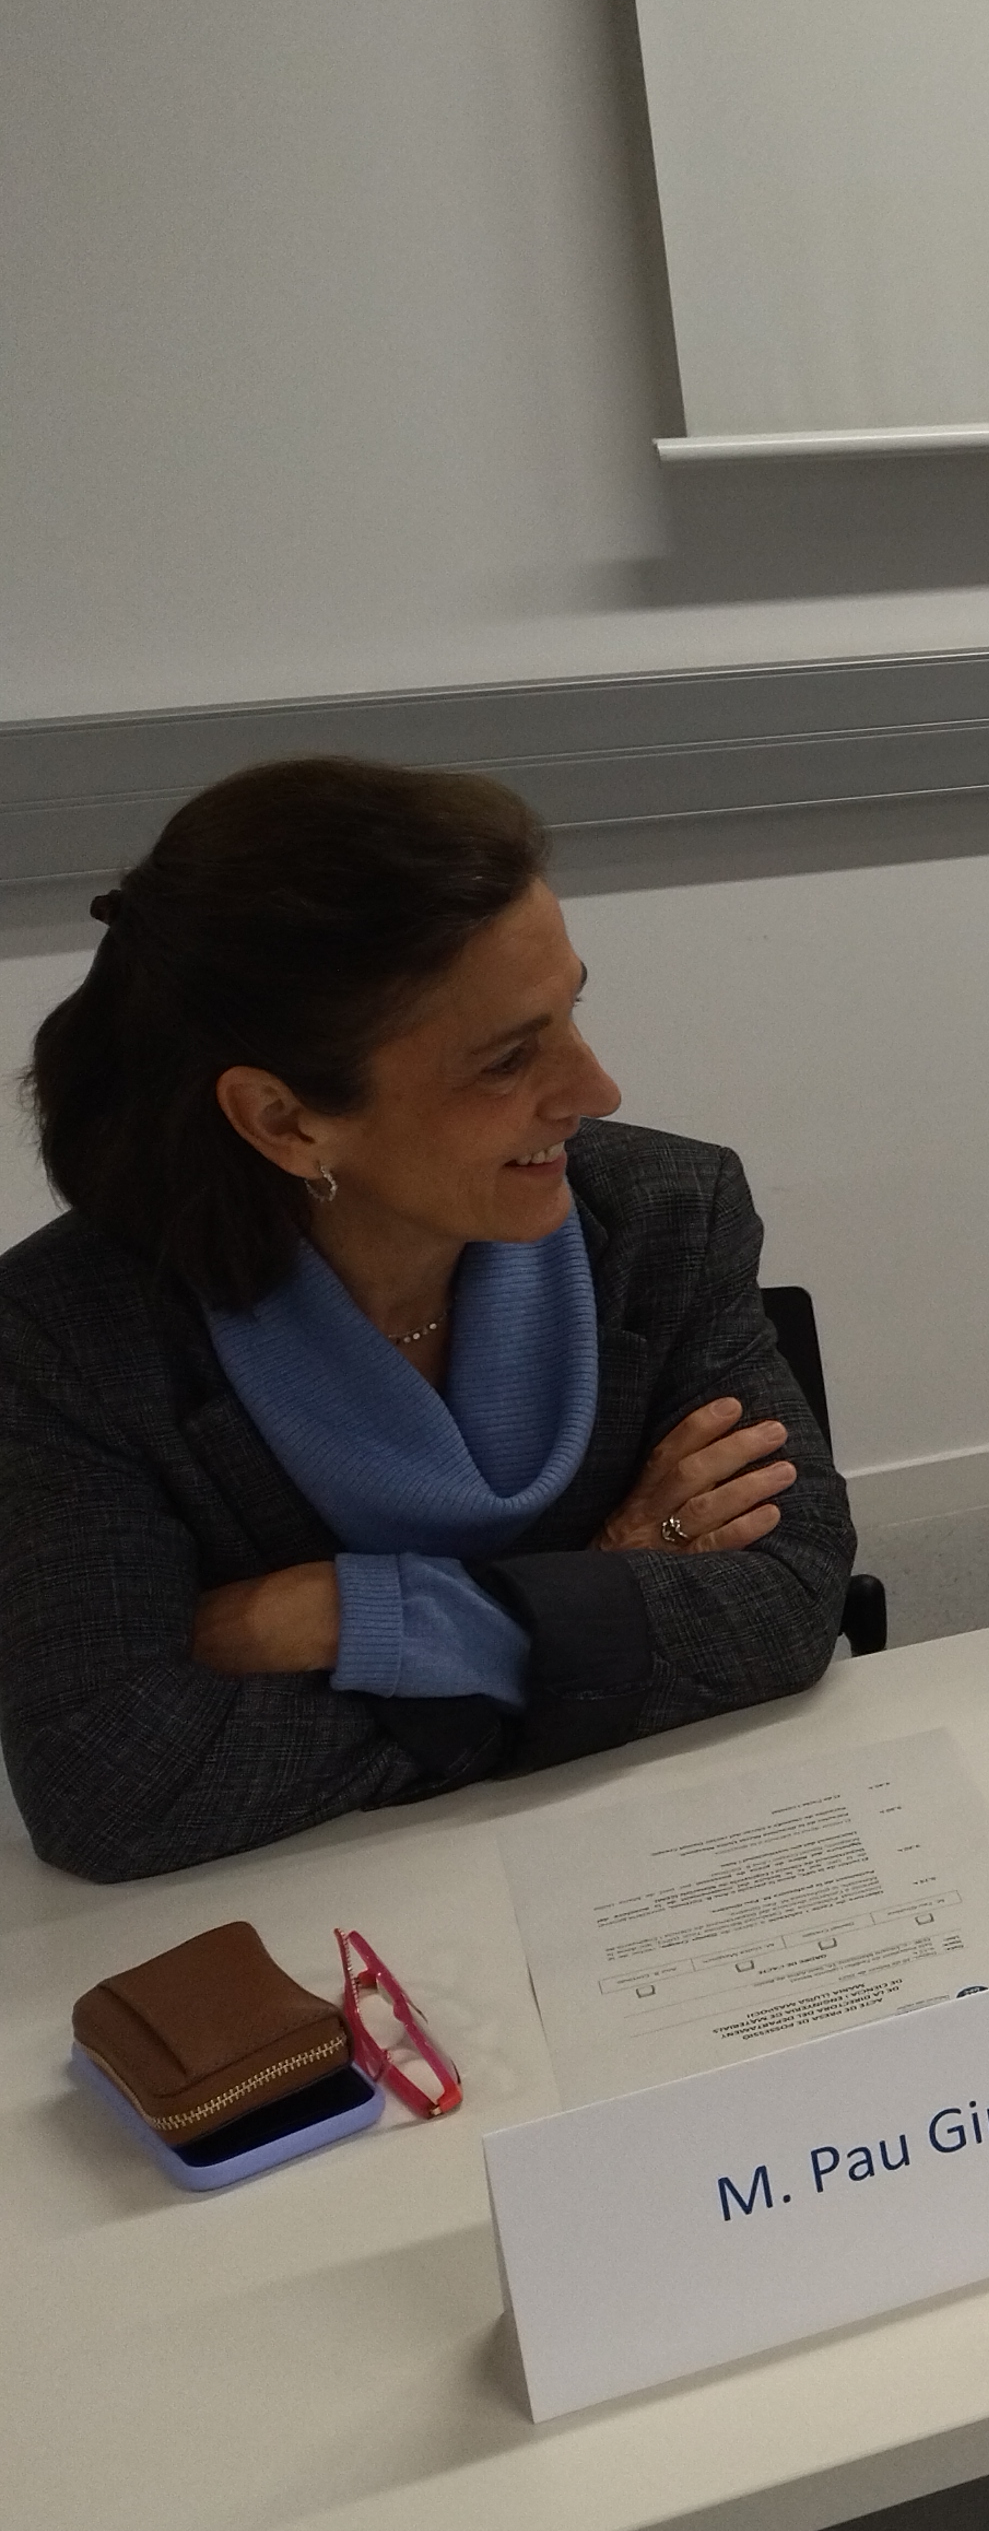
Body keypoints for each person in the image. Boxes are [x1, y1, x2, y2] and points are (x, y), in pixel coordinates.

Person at [0, 761, 851, 1883]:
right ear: (284, 1120)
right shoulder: (65, 1341)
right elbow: (114, 1790)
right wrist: (598, 1595)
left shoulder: (667, 1216)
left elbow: (792, 1597)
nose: (596, 1090)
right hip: (327, 1910)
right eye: (508, 1059)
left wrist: (355, 1616)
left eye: (572, 1010)